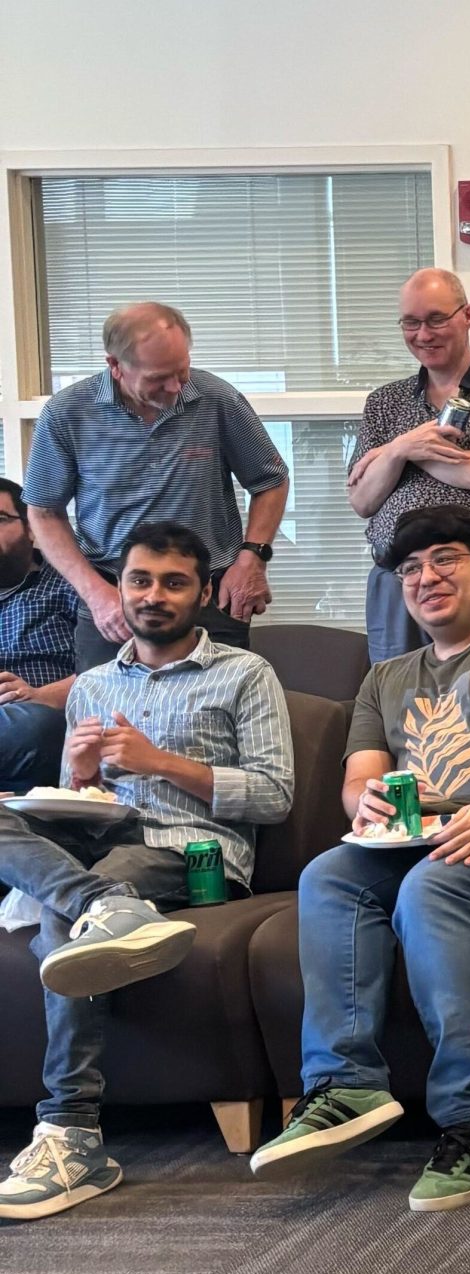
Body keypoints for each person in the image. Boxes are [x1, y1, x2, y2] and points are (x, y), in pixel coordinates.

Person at [248, 505, 470, 1212]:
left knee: (433, 889)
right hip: (424, 836)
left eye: (445, 559)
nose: (425, 578)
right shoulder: (386, 676)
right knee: (329, 876)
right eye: (410, 568)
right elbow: (360, 775)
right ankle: (344, 1085)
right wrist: (366, 803)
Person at [0, 522, 292, 1220]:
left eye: (173, 583)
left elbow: (274, 795)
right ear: (121, 588)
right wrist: (78, 777)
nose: (153, 595)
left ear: (202, 593)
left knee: (72, 919)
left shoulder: (245, 674)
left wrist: (160, 762)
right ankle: (103, 903)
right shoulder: (92, 685)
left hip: (191, 851)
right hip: (99, 849)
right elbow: (83, 805)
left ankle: (71, 1132)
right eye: (140, 580)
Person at [21, 303, 288, 667]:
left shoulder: (217, 399)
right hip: (114, 596)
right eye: (159, 378)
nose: (176, 386)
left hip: (207, 595)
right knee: (106, 702)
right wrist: (95, 593)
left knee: (220, 699)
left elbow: (271, 480)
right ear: (115, 365)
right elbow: (44, 511)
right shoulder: (67, 412)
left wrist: (253, 558)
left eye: (182, 370)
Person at [348, 269, 470, 663]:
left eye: (436, 319)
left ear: (467, 315)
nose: (423, 334)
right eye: (411, 322)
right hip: (397, 579)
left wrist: (403, 454)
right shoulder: (384, 402)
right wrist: (402, 447)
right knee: (399, 690)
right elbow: (363, 499)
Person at [0, 476, 81, 792]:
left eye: (0, 519)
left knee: (35, 725)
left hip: (36, 724)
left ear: (31, 528)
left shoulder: (70, 584)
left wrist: (41, 696)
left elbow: (108, 669)